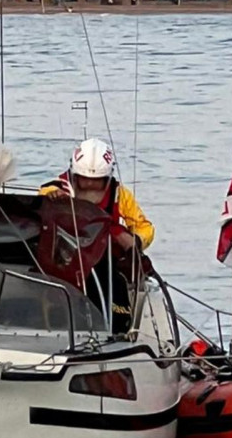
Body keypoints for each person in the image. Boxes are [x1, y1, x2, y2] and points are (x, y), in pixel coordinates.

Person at [40, 138, 154, 332]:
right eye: (85, 180)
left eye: (96, 181)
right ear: (75, 175)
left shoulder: (120, 195)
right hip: (66, 258)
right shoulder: (58, 189)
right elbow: (40, 200)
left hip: (104, 258)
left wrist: (133, 242)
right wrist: (52, 196)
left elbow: (144, 227)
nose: (90, 185)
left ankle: (115, 328)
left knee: (116, 297)